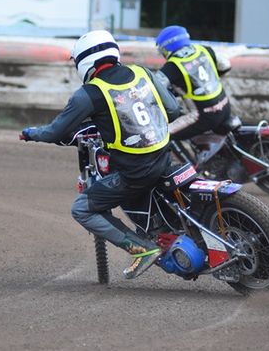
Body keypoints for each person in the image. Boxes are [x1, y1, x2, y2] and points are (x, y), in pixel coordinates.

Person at [19, 30, 180, 279]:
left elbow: (55, 132)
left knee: (82, 208)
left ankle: (142, 249)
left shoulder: (90, 93)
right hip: (165, 157)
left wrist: (31, 133)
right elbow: (172, 110)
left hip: (135, 172)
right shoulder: (142, 72)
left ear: (84, 60)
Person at [154, 25, 232, 140]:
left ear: (167, 48)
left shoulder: (172, 67)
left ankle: (185, 158)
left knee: (161, 135)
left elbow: (153, 89)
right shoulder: (205, 49)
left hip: (204, 117)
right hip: (225, 106)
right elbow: (225, 65)